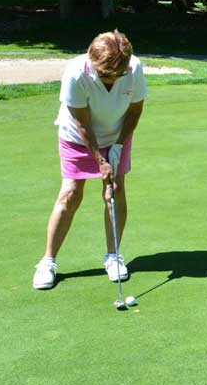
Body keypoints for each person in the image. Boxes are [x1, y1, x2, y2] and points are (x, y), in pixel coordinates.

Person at [33, 30, 148, 289]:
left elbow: (135, 110)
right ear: (93, 62)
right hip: (77, 136)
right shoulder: (76, 73)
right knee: (71, 193)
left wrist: (118, 146)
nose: (113, 79)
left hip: (117, 133)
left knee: (115, 190)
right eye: (107, 75)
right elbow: (82, 124)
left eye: (119, 74)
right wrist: (100, 159)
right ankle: (47, 261)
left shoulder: (134, 68)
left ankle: (113, 256)